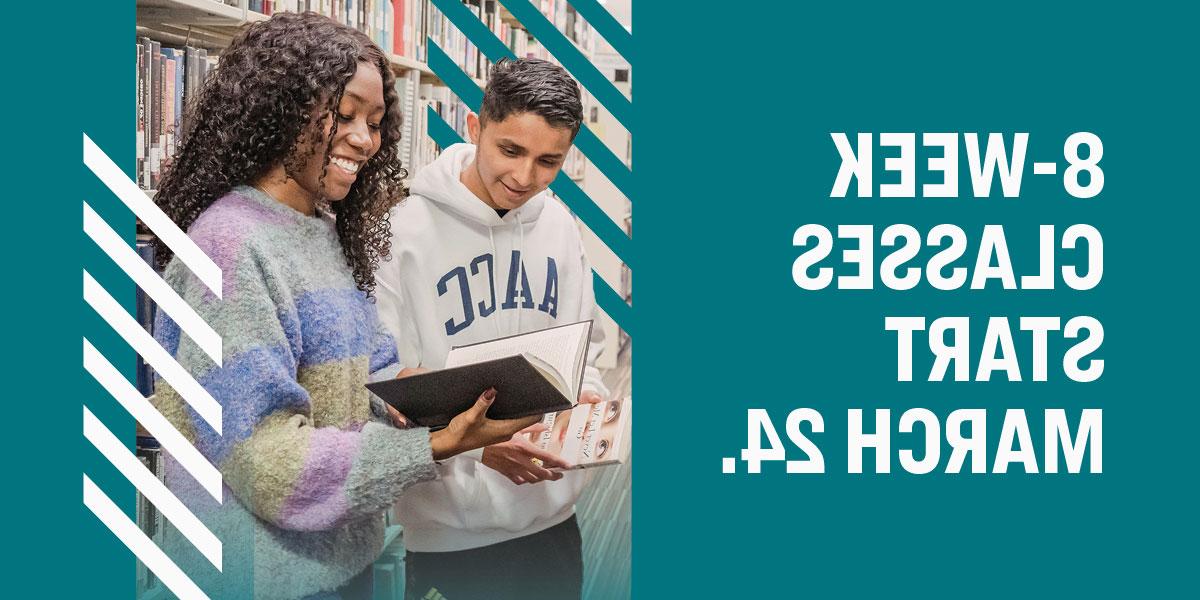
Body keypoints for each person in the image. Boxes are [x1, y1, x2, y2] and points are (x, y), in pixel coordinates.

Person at [149, 13, 537, 600]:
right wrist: (432, 446)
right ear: (280, 106)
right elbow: (266, 460)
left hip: (335, 565)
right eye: (344, 113)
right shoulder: (230, 248)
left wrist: (465, 399)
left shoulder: (321, 230)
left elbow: (373, 370)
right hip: (257, 581)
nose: (364, 137)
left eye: (376, 122)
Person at [374, 57, 609, 600]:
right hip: (444, 536)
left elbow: (585, 350)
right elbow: (386, 383)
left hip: (552, 521)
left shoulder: (559, 226)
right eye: (511, 150)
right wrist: (479, 446)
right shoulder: (400, 230)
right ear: (476, 128)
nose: (525, 177)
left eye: (549, 161)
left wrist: (592, 410)